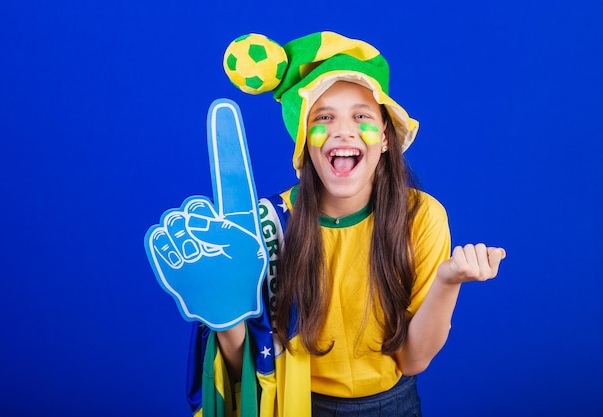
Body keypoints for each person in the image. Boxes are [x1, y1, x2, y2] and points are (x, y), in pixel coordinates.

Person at [188, 31, 505, 417]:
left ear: (385, 137)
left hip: (395, 406)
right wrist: (222, 314)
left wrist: (448, 281)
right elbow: (248, 369)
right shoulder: (267, 226)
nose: (342, 130)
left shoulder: (421, 217)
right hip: (296, 404)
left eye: (361, 116)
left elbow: (413, 360)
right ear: (305, 140)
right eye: (323, 117)